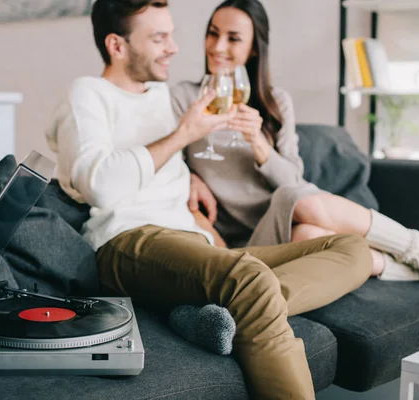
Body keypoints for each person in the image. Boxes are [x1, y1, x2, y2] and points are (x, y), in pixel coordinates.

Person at [46, 0, 372, 398]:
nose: (174, 48)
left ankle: (226, 312)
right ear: (117, 45)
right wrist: (183, 135)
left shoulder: (161, 96)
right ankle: (248, 304)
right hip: (128, 240)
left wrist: (191, 176)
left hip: (189, 240)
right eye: (159, 37)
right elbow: (100, 184)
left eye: (172, 35)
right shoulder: (88, 94)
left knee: (352, 249)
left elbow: (170, 159)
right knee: (250, 281)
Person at [171, 0, 419, 282]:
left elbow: (294, 181)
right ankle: (415, 248)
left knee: (309, 230)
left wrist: (259, 144)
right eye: (213, 33)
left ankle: (406, 263)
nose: (217, 47)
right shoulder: (184, 98)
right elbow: (171, 165)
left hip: (284, 225)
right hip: (243, 244)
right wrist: (190, 175)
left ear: (254, 47)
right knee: (297, 205)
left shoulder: (277, 102)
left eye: (233, 38)